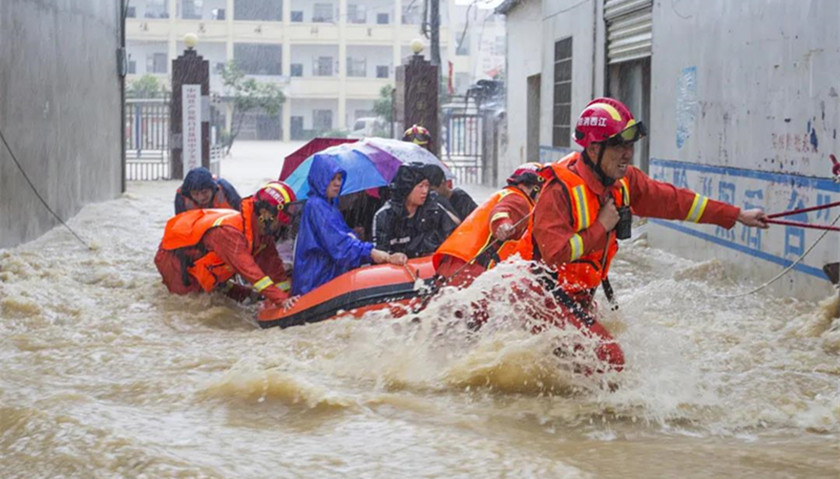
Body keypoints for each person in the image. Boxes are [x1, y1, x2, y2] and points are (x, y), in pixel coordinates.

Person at [524, 97, 768, 370]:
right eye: (619, 145)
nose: (628, 153)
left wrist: (735, 215)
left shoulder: (624, 181)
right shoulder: (558, 190)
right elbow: (554, 254)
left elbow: (675, 201)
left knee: (585, 364)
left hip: (577, 298)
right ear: (593, 149)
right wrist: (601, 227)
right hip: (544, 297)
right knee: (611, 359)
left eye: (630, 145)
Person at [155, 181, 298, 307]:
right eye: (279, 222)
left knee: (244, 296)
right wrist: (280, 299)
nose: (280, 226)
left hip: (203, 261)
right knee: (191, 304)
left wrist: (285, 294)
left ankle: (226, 289)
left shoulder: (261, 233)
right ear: (265, 214)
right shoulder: (230, 233)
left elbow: (273, 266)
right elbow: (249, 270)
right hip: (174, 260)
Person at [293, 155, 407, 296]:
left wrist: (356, 237)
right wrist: (372, 253)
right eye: (332, 178)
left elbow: (340, 237)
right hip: (317, 280)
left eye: (340, 179)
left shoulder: (329, 206)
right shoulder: (317, 206)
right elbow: (339, 246)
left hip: (325, 276)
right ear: (320, 179)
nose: (337, 183)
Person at [433, 162, 544, 289]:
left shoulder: (503, 194)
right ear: (535, 187)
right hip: (472, 271)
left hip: (454, 264)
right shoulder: (519, 199)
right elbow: (502, 211)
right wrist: (503, 225)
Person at [372, 163, 458, 259]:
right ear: (407, 188)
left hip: (430, 267)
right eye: (420, 186)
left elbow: (454, 233)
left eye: (427, 186)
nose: (425, 191)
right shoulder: (385, 215)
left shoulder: (432, 209)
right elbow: (379, 254)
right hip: (399, 270)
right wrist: (392, 257)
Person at [174, 166, 242, 214]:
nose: (201, 197)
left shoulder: (225, 189)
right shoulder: (181, 196)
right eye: (195, 194)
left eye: (204, 192)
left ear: (212, 188)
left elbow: (243, 213)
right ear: (189, 194)